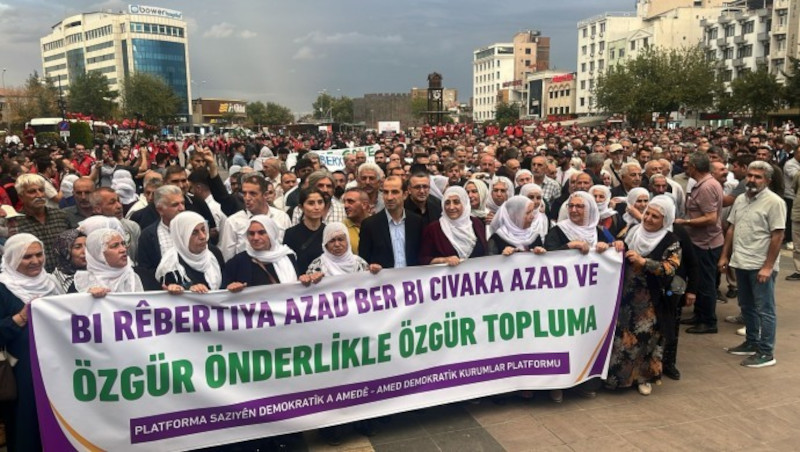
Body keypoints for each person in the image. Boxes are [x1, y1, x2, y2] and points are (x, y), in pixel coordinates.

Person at [606, 196, 681, 396]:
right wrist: (617, 245)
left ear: (665, 220)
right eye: (647, 213)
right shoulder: (632, 230)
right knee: (622, 338)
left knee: (645, 339)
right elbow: (617, 244)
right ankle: (619, 379)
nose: (648, 219)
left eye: (655, 217)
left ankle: (643, 378)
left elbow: (670, 268)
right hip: (624, 295)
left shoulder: (671, 241)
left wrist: (645, 262)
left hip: (650, 299)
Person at [720, 161, 786, 368]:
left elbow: (778, 235)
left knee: (765, 310)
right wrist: (724, 256)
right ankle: (751, 342)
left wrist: (768, 266)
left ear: (767, 180)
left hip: (760, 265)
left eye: (758, 177)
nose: (752, 180)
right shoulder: (740, 199)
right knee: (746, 306)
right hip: (741, 261)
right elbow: (731, 228)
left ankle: (766, 352)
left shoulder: (774, 202)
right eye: (750, 175)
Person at [0, 234, 62, 452]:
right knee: (26, 425)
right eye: (27, 257)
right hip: (23, 372)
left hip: (57, 366)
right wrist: (21, 317)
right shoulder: (3, 288)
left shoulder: (52, 282)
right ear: (12, 258)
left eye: (39, 254)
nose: (36, 261)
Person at [675, 152, 724, 334]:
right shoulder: (705, 184)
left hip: (707, 242)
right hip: (700, 240)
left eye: (688, 165)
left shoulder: (706, 187)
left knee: (705, 283)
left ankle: (708, 321)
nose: (686, 168)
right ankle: (700, 314)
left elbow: (710, 218)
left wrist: (685, 222)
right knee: (700, 281)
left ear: (694, 167)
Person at [359, 176, 423, 271]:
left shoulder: (416, 222)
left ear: (405, 195)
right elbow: (363, 261)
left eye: (394, 192)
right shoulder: (369, 225)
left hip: (412, 278)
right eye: (385, 192)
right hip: (383, 279)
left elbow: (422, 255)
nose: (389, 197)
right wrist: (371, 267)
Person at [223, 215, 299, 291]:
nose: (255, 238)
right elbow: (223, 291)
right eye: (251, 233)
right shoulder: (237, 262)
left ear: (272, 233)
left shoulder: (287, 256)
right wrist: (231, 287)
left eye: (261, 233)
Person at [155, 211, 225, 294]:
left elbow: (225, 285)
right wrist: (187, 289)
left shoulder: (214, 253)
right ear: (182, 236)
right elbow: (169, 296)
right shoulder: (170, 266)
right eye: (194, 233)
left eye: (203, 230)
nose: (203, 236)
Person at [420, 186, 488, 265]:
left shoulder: (477, 223)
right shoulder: (433, 229)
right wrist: (444, 260)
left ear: (465, 203)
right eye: (447, 203)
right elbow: (423, 259)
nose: (451, 207)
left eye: (456, 202)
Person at [74, 228, 143, 297]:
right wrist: (88, 297)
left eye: (123, 244)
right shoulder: (82, 283)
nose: (123, 249)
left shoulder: (141, 276)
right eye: (115, 246)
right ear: (98, 253)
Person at [301, 222, 371, 286]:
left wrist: (375, 273)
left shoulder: (359, 263)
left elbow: (370, 284)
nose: (337, 244)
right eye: (332, 241)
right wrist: (311, 280)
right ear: (326, 244)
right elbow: (309, 289)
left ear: (347, 241)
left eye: (340, 239)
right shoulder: (317, 265)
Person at [283, 188, 328, 275]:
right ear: (301, 207)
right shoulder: (291, 234)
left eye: (320, 202)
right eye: (311, 203)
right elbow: (288, 264)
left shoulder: (329, 232)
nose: (317, 207)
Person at [52, 229, 87, 293]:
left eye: (87, 246)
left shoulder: (95, 275)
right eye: (78, 247)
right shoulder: (51, 282)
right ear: (64, 252)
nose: (85, 251)